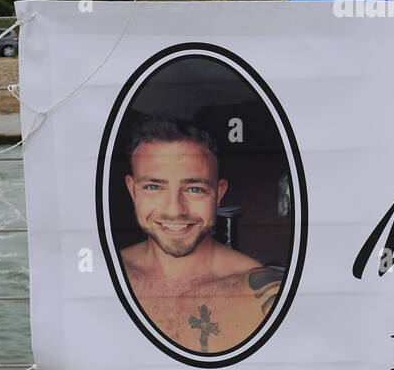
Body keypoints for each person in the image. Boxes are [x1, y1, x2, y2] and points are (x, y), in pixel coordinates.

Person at [119, 115, 281, 353]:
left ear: (219, 193)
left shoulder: (267, 297)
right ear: (132, 191)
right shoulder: (103, 276)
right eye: (153, 187)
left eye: (195, 189)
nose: (175, 209)